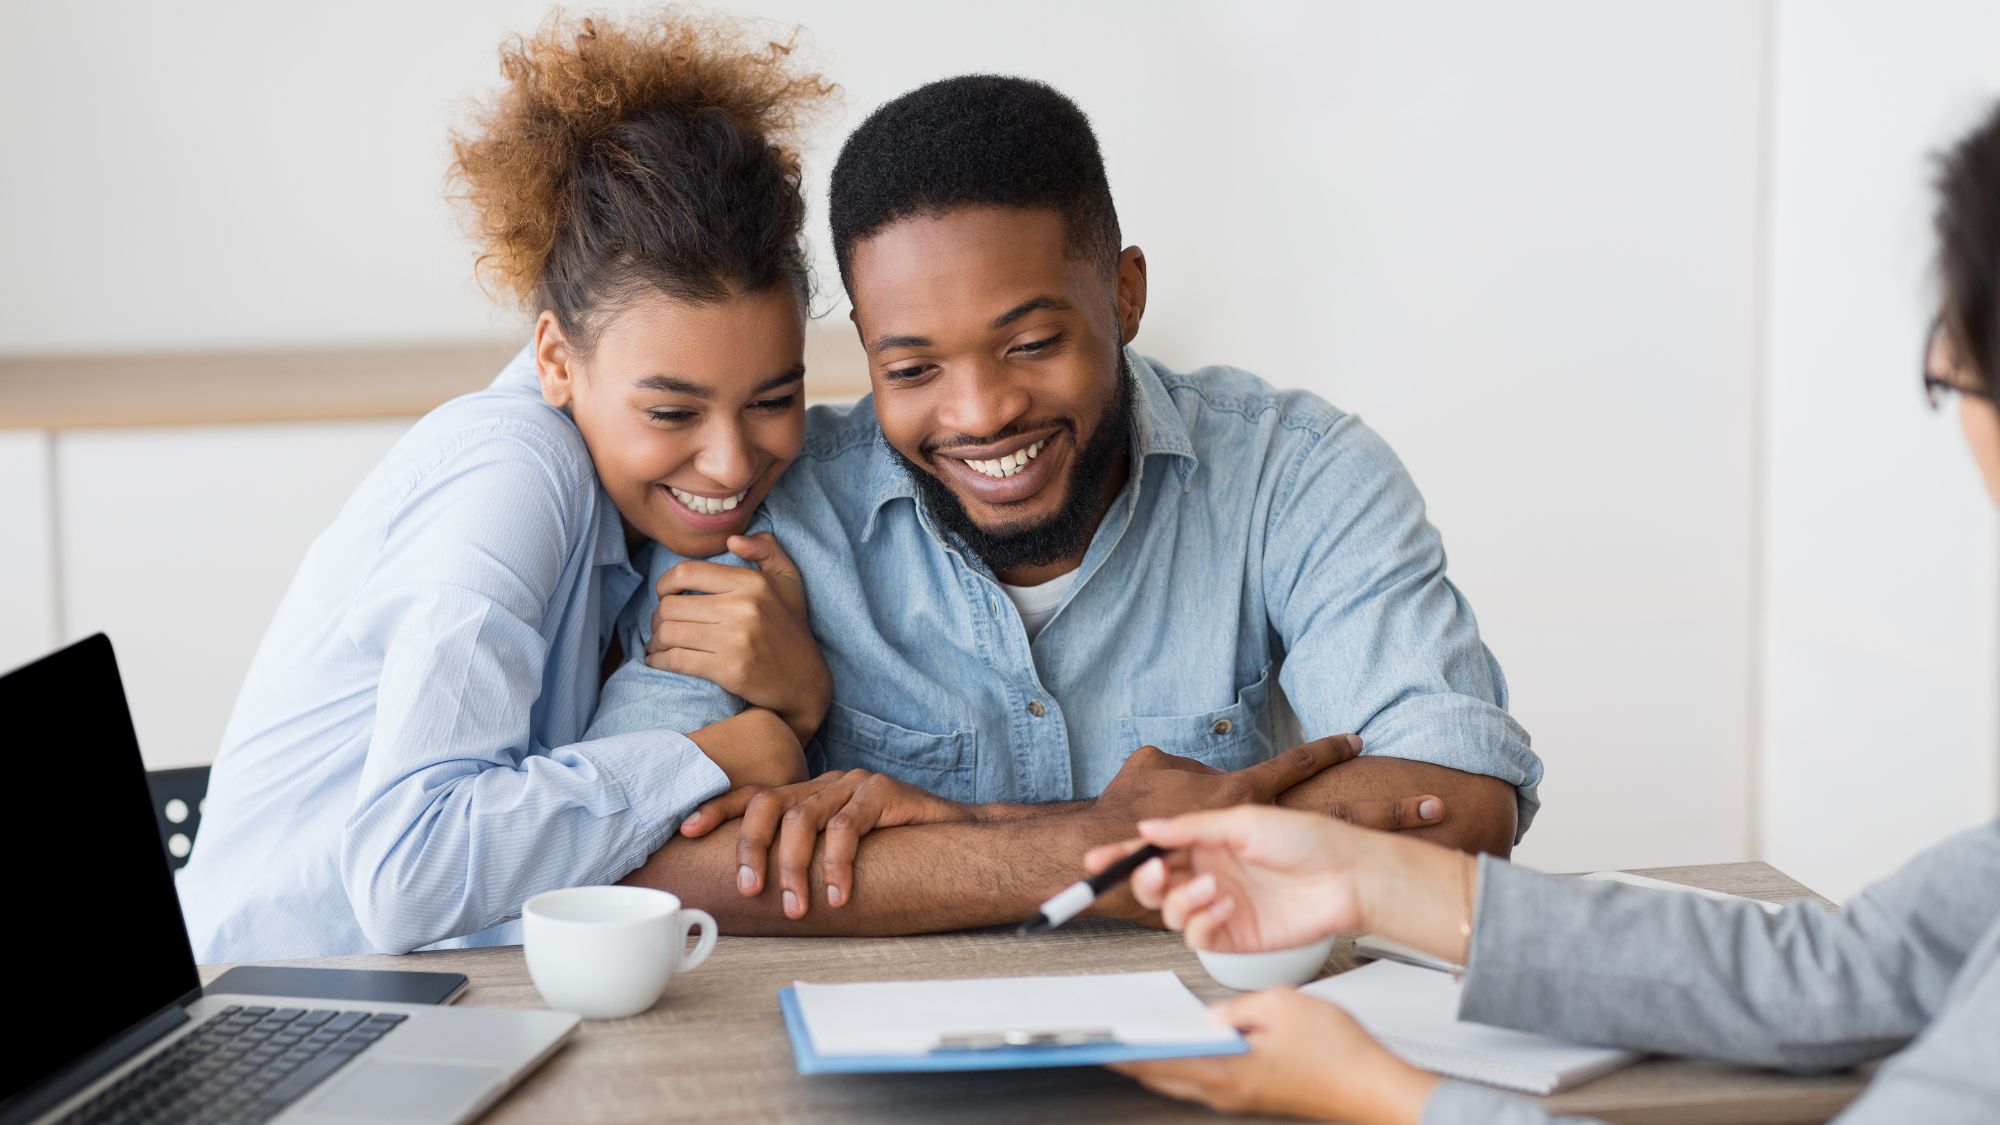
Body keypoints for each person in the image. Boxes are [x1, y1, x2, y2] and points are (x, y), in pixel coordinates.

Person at [1078, 107, 2000, 1123]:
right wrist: (1365, 876)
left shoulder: (1296, 462)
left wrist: (1383, 1096)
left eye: (1949, 368)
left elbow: (1460, 796)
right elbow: (1839, 974)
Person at [586, 75, 1544, 934]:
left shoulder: (1294, 473)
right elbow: (638, 858)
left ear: (1124, 295)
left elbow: (1457, 806)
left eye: (1032, 343)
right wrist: (1106, 845)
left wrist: (982, 834)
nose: (981, 413)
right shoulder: (767, 514)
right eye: (912, 367)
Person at [176, 10, 833, 961]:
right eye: (672, 413)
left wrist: (801, 703)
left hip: (455, 999)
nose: (731, 463)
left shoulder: (654, 501)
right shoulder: (515, 475)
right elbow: (411, 872)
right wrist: (709, 754)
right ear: (557, 360)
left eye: (774, 397)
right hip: (268, 1015)